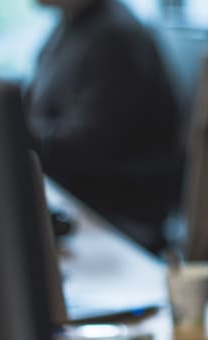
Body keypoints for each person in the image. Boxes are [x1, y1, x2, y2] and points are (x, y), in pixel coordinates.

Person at [27, 0, 181, 252]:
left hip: (114, 214)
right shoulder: (69, 28)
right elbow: (36, 108)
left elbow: (88, 146)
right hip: (77, 201)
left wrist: (16, 140)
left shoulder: (115, 38)